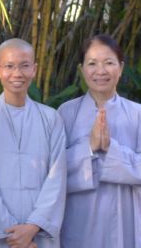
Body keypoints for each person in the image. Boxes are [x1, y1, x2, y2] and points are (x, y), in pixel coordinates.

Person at [0, 38, 66, 248]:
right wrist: (12, 233)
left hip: (38, 234)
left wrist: (32, 227)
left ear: (34, 69)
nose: (17, 73)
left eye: (24, 65)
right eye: (9, 66)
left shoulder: (51, 118)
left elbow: (57, 179)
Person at [58, 34, 141, 247]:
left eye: (109, 63)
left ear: (121, 68)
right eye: (92, 63)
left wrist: (112, 149)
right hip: (78, 221)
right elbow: (53, 172)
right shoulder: (66, 113)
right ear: (81, 69)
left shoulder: (138, 114)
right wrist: (89, 147)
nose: (101, 71)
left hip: (124, 221)